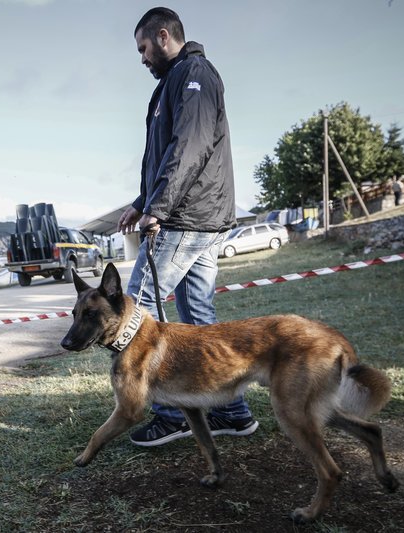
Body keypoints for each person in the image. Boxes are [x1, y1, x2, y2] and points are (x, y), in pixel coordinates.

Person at [118, 7, 258, 446]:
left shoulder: (193, 74)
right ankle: (231, 412)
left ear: (163, 36)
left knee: (135, 310)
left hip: (187, 216)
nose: (141, 58)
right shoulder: (171, 84)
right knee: (198, 319)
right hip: (197, 213)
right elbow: (164, 155)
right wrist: (141, 200)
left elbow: (190, 146)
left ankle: (169, 412)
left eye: (142, 48)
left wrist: (158, 207)